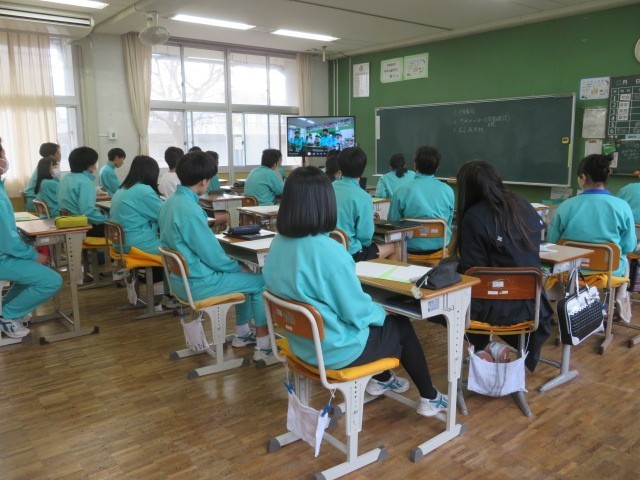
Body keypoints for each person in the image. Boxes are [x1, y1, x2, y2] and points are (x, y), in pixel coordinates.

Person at [262, 166, 447, 417]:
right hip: (335, 351)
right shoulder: (328, 251)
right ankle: (430, 397)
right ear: (326, 204)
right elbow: (356, 312)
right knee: (399, 325)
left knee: (379, 326)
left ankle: (383, 379)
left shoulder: (277, 243)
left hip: (301, 344)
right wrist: (381, 312)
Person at [159, 151, 273, 361]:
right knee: (259, 282)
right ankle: (264, 345)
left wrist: (235, 266)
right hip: (199, 283)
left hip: (179, 281)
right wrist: (236, 266)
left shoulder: (170, 203)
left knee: (245, 277)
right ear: (204, 181)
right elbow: (213, 257)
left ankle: (243, 334)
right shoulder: (190, 209)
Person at [453, 160, 552, 371]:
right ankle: (487, 348)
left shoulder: (474, 216)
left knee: (442, 306)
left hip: (497, 305)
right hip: (532, 305)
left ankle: (485, 346)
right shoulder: (522, 204)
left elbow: (472, 272)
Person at [548, 154, 636, 321]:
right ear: (606, 175)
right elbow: (629, 246)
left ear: (582, 177)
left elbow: (553, 243)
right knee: (622, 259)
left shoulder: (566, 206)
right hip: (609, 270)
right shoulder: (622, 206)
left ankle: (566, 311)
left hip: (571, 270)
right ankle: (611, 309)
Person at [0, 137, 62, 338]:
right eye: (3, 153)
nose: (5, 157)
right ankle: (6, 315)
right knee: (52, 280)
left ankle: (5, 308)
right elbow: (8, 241)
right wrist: (33, 255)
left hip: (5, 254)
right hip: (3, 257)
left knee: (30, 276)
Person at [110, 155, 178, 309]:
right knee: (176, 252)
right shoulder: (143, 190)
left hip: (120, 243)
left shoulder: (123, 188)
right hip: (136, 243)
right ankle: (170, 297)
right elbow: (163, 214)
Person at [333, 147, 398, 261]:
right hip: (351, 253)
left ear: (340, 166)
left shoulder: (327, 188)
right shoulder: (363, 197)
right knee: (395, 246)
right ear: (363, 168)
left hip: (327, 250)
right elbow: (365, 239)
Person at [388, 146, 454, 255]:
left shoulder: (400, 191)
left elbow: (393, 223)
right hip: (439, 250)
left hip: (407, 251)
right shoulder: (448, 191)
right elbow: (448, 222)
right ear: (437, 167)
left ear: (415, 165)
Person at [58, 146, 108, 237]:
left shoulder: (65, 179)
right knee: (123, 226)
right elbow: (87, 212)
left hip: (68, 223)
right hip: (84, 227)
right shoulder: (86, 182)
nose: (95, 166)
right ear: (89, 165)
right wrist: (107, 219)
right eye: (94, 163)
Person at [24, 142, 61, 211]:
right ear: (51, 155)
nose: (60, 154)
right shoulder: (47, 168)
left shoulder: (42, 165)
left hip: (34, 200)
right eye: (58, 152)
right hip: (37, 202)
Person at [204, 150, 229, 227]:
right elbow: (217, 193)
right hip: (211, 206)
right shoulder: (212, 175)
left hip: (204, 205)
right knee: (233, 212)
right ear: (215, 162)